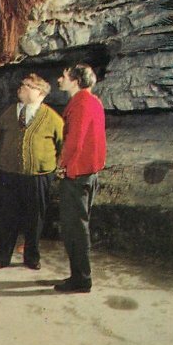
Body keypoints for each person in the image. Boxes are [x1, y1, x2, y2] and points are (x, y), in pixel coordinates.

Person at [0, 73, 64, 271]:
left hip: (38, 176)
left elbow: (62, 143)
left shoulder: (52, 118)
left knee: (35, 217)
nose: (21, 87)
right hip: (9, 174)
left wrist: (52, 166)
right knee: (6, 216)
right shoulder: (8, 113)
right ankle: (2, 256)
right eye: (22, 84)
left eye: (28, 85)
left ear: (40, 92)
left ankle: (31, 257)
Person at [54, 63, 106, 293]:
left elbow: (75, 140)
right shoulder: (94, 101)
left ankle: (81, 279)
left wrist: (61, 165)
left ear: (75, 80)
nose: (60, 80)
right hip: (89, 173)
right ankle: (80, 275)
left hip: (77, 174)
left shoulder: (82, 104)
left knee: (74, 228)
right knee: (79, 225)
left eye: (64, 76)